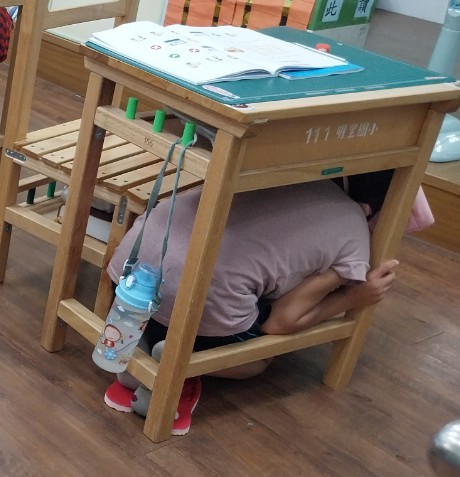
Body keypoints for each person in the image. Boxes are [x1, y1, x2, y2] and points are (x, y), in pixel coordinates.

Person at [101, 175, 402, 435]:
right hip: (196, 315)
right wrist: (352, 298)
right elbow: (281, 321)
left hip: (128, 276)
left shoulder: (289, 174)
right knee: (258, 362)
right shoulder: (355, 234)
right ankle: (177, 361)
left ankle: (140, 340)